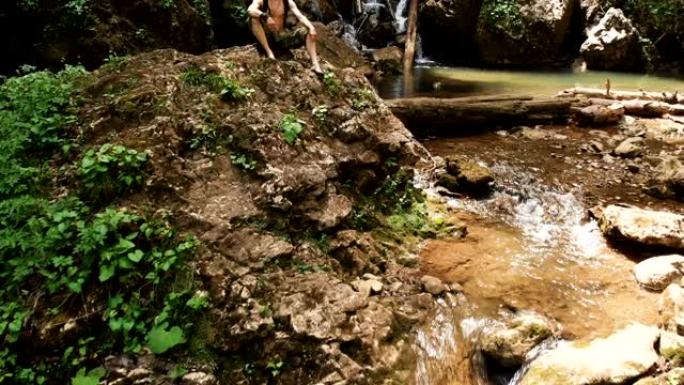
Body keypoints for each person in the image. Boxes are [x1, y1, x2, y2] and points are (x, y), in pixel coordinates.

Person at [247, 0, 323, 74]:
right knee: (253, 19)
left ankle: (315, 64)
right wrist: (265, 17)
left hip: (280, 37)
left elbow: (300, 16)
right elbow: (250, 10)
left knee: (307, 31)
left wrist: (311, 27)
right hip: (267, 38)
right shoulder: (261, 1)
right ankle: (269, 53)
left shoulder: (288, 2)